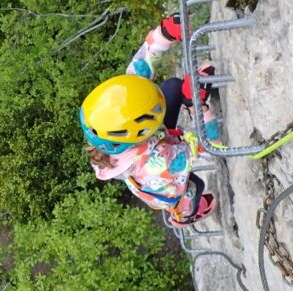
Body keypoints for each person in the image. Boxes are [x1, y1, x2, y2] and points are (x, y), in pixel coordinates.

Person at [79, 14, 219, 228]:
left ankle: (187, 96)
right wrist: (198, 107)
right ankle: (188, 211)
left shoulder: (114, 129)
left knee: (171, 87)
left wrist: (163, 33)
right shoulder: (159, 163)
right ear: (141, 127)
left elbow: (139, 73)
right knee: (195, 187)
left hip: (156, 142)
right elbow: (210, 146)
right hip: (169, 182)